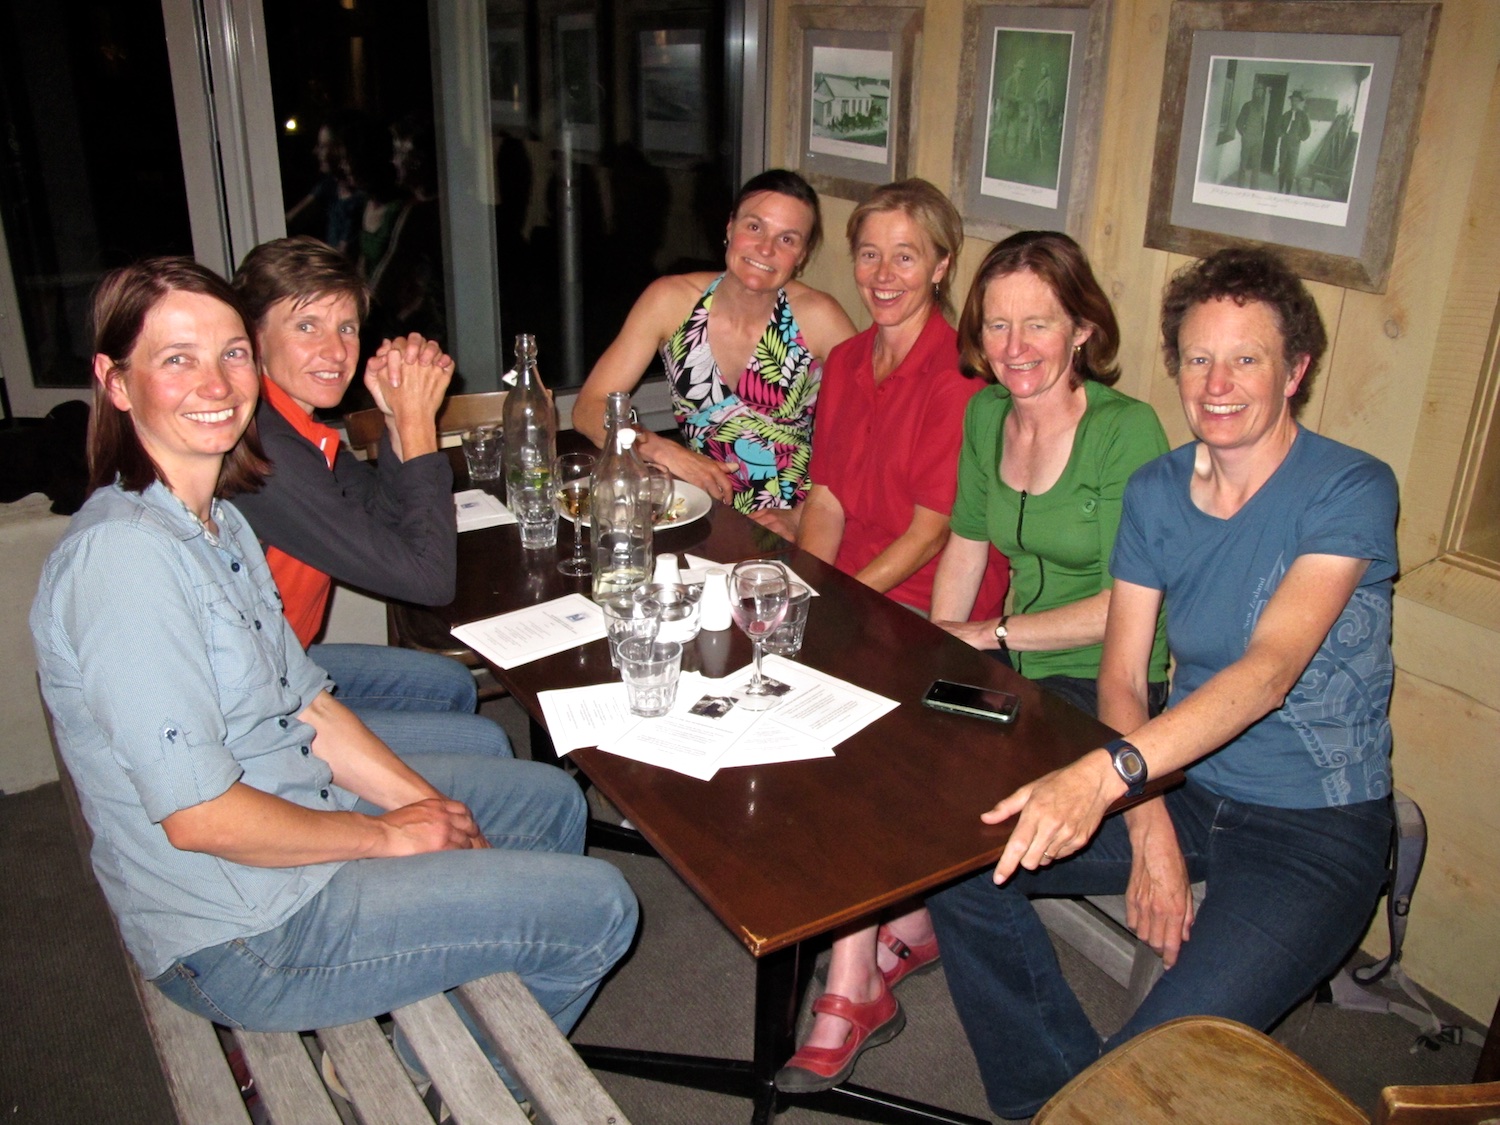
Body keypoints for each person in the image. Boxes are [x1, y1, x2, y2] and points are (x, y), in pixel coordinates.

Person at [30, 258, 637, 1078]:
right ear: (116, 383)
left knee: (548, 798)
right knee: (603, 908)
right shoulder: (125, 562)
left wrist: (427, 804)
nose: (216, 382)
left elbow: (309, 706)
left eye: (231, 354)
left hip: (286, 808)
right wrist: (387, 834)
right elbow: (199, 817)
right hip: (245, 931)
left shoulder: (214, 521)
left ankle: (452, 993)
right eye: (177, 359)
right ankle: (440, 1086)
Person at [927, 247, 1398, 1119]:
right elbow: (1120, 681)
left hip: (1313, 828)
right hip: (1183, 784)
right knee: (952, 863)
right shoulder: (1156, 490)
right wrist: (1149, 831)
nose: (1217, 383)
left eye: (1246, 358)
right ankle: (1049, 1099)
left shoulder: (1349, 487)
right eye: (1197, 357)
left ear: (1295, 371)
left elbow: (1267, 674)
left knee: (1158, 1058)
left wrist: (1104, 779)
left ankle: (1096, 1096)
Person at [775, 180, 1011, 1094]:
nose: (881, 274)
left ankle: (851, 989)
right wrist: (798, 587)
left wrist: (830, 604)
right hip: (851, 589)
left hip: (928, 607)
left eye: (905, 255)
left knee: (843, 748)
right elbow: (825, 499)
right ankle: (895, 914)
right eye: (868, 253)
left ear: (943, 265)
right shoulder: (845, 364)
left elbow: (929, 529)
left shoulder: (961, 377)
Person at [229, 236, 509, 760]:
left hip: (288, 660)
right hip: (251, 706)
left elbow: (382, 514)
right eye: (306, 326)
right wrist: (418, 422)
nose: (336, 352)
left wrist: (393, 419)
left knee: (453, 685)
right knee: (488, 741)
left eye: (347, 328)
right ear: (253, 337)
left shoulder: (291, 425)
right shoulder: (267, 453)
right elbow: (427, 581)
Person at [930, 230, 1170, 722]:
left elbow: (1120, 607)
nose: (1014, 347)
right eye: (997, 325)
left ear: (1081, 329)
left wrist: (985, 633)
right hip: (1017, 663)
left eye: (1037, 325)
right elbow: (966, 546)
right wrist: (940, 644)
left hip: (1104, 679)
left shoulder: (1124, 431)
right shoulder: (986, 413)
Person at [572, 169, 856, 537]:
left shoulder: (821, 318)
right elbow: (588, 408)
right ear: (729, 227)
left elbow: (870, 434)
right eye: (754, 227)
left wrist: (802, 515)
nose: (766, 249)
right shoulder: (670, 301)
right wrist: (661, 450)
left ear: (801, 255)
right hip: (699, 511)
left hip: (794, 520)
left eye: (787, 239)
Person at [1278, 90, 1312, 195]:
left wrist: (1300, 137)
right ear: (1291, 101)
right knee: (1282, 167)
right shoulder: (1286, 115)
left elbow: (1308, 131)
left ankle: (1287, 192)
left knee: (1291, 170)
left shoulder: (1303, 115)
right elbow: (1277, 128)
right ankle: (1280, 189)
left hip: (1294, 146)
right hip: (1284, 145)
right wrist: (1281, 134)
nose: (1294, 103)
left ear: (1300, 102)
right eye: (1293, 100)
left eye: (1296, 101)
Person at [1235, 86, 1267, 187]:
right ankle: (1240, 186)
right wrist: (1244, 134)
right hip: (1248, 138)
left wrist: (1260, 136)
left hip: (1258, 139)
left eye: (1261, 93)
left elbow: (1262, 124)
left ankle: (1254, 187)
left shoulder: (1262, 106)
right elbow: (1239, 122)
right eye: (1257, 92)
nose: (1259, 95)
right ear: (1254, 93)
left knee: (1256, 165)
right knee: (1243, 163)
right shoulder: (1247, 106)